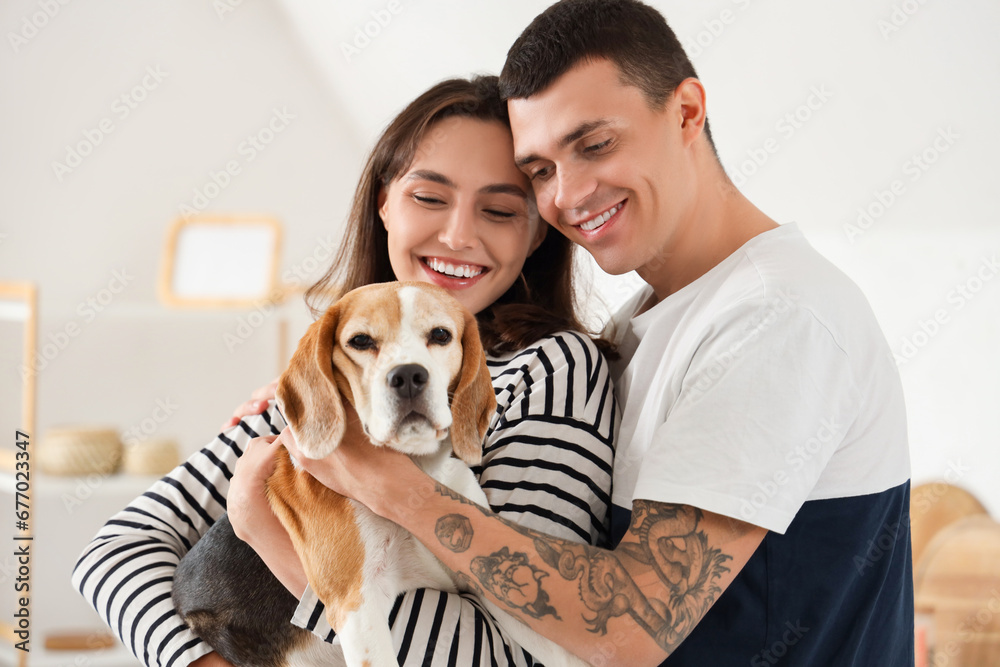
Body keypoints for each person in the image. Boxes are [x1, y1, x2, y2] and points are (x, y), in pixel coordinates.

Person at [268, 1, 914, 665]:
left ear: (687, 112)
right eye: (541, 170)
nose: (569, 194)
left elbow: (627, 628)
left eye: (595, 144)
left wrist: (387, 487)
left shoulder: (778, 318)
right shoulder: (640, 321)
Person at [72, 75, 618, 667]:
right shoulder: (332, 370)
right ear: (385, 202)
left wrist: (276, 539)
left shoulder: (553, 369)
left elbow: (516, 657)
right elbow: (114, 552)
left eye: (499, 209)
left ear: (536, 230)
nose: (459, 235)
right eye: (429, 198)